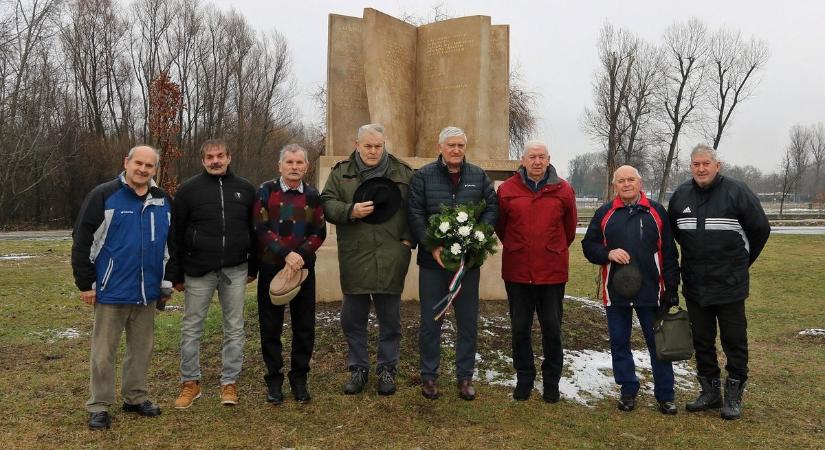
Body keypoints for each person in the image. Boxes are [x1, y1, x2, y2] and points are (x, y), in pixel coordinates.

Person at [71, 145, 172, 430]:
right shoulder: (104, 195)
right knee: (103, 352)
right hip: (110, 289)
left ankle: (135, 397)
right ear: (126, 162)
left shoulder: (162, 200)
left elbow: (167, 245)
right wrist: (86, 283)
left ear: (155, 169)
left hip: (146, 292)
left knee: (141, 349)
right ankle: (99, 404)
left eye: (149, 165)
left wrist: (164, 281)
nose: (142, 169)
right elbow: (82, 241)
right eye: (138, 163)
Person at [668, 144, 770, 420]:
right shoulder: (680, 196)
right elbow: (677, 234)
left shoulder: (737, 192)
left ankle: (734, 395)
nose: (701, 169)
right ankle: (710, 392)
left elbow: (760, 230)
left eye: (706, 164)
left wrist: (740, 262)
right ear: (691, 167)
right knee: (702, 340)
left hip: (729, 284)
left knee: (733, 341)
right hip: (696, 285)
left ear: (717, 165)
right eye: (696, 164)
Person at [321, 123, 414, 396]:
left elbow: (414, 208)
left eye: (378, 146)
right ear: (357, 145)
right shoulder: (341, 173)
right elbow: (326, 203)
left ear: (384, 145)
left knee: (391, 320)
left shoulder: (403, 172)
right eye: (368, 146)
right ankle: (358, 368)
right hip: (356, 254)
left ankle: (387, 369)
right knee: (352, 318)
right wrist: (350, 210)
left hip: (391, 253)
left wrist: (407, 242)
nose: (373, 151)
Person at [408, 126, 498, 401]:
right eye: (451, 145)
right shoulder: (422, 176)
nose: (456, 150)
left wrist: (478, 237)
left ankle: (465, 376)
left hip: (467, 265)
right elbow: (415, 213)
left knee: (468, 321)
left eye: (460, 145)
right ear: (441, 148)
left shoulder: (478, 176)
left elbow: (492, 208)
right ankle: (429, 376)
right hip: (432, 264)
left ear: (465, 148)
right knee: (431, 320)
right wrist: (432, 245)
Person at [582, 165, 680, 415]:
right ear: (614, 185)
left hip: (651, 291)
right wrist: (608, 253)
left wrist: (671, 287)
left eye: (631, 180)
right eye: (621, 181)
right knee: (619, 343)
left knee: (658, 344)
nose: (626, 184)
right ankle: (628, 389)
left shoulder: (656, 212)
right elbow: (588, 246)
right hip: (616, 292)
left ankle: (665, 395)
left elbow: (669, 252)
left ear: (640, 182)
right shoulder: (605, 213)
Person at [169, 139, 257, 409]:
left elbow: (254, 230)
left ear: (229, 157)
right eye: (210, 157)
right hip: (198, 270)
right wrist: (176, 273)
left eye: (220, 156)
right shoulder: (187, 190)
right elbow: (176, 234)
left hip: (235, 269)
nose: (216, 160)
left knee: (234, 327)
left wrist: (253, 266)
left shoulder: (245, 189)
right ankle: (190, 382)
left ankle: (229, 382)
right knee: (192, 327)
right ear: (203, 160)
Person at [495, 140, 577, 403]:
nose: (537, 161)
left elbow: (569, 230)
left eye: (542, 157)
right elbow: (501, 227)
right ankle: (524, 379)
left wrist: (549, 249)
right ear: (523, 159)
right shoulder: (508, 190)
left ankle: (551, 382)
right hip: (518, 272)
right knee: (520, 328)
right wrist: (521, 248)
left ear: (549, 159)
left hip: (551, 274)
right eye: (532, 157)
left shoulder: (563, 190)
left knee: (552, 329)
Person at [254, 144, 326, 404]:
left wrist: (300, 255)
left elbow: (319, 232)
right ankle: (274, 380)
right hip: (272, 266)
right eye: (289, 162)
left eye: (299, 163)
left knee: (304, 326)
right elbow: (260, 227)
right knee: (270, 326)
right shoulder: (266, 191)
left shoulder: (313, 195)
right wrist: (286, 253)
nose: (294, 167)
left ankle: (299, 379)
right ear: (280, 166)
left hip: (303, 269)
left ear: (307, 166)